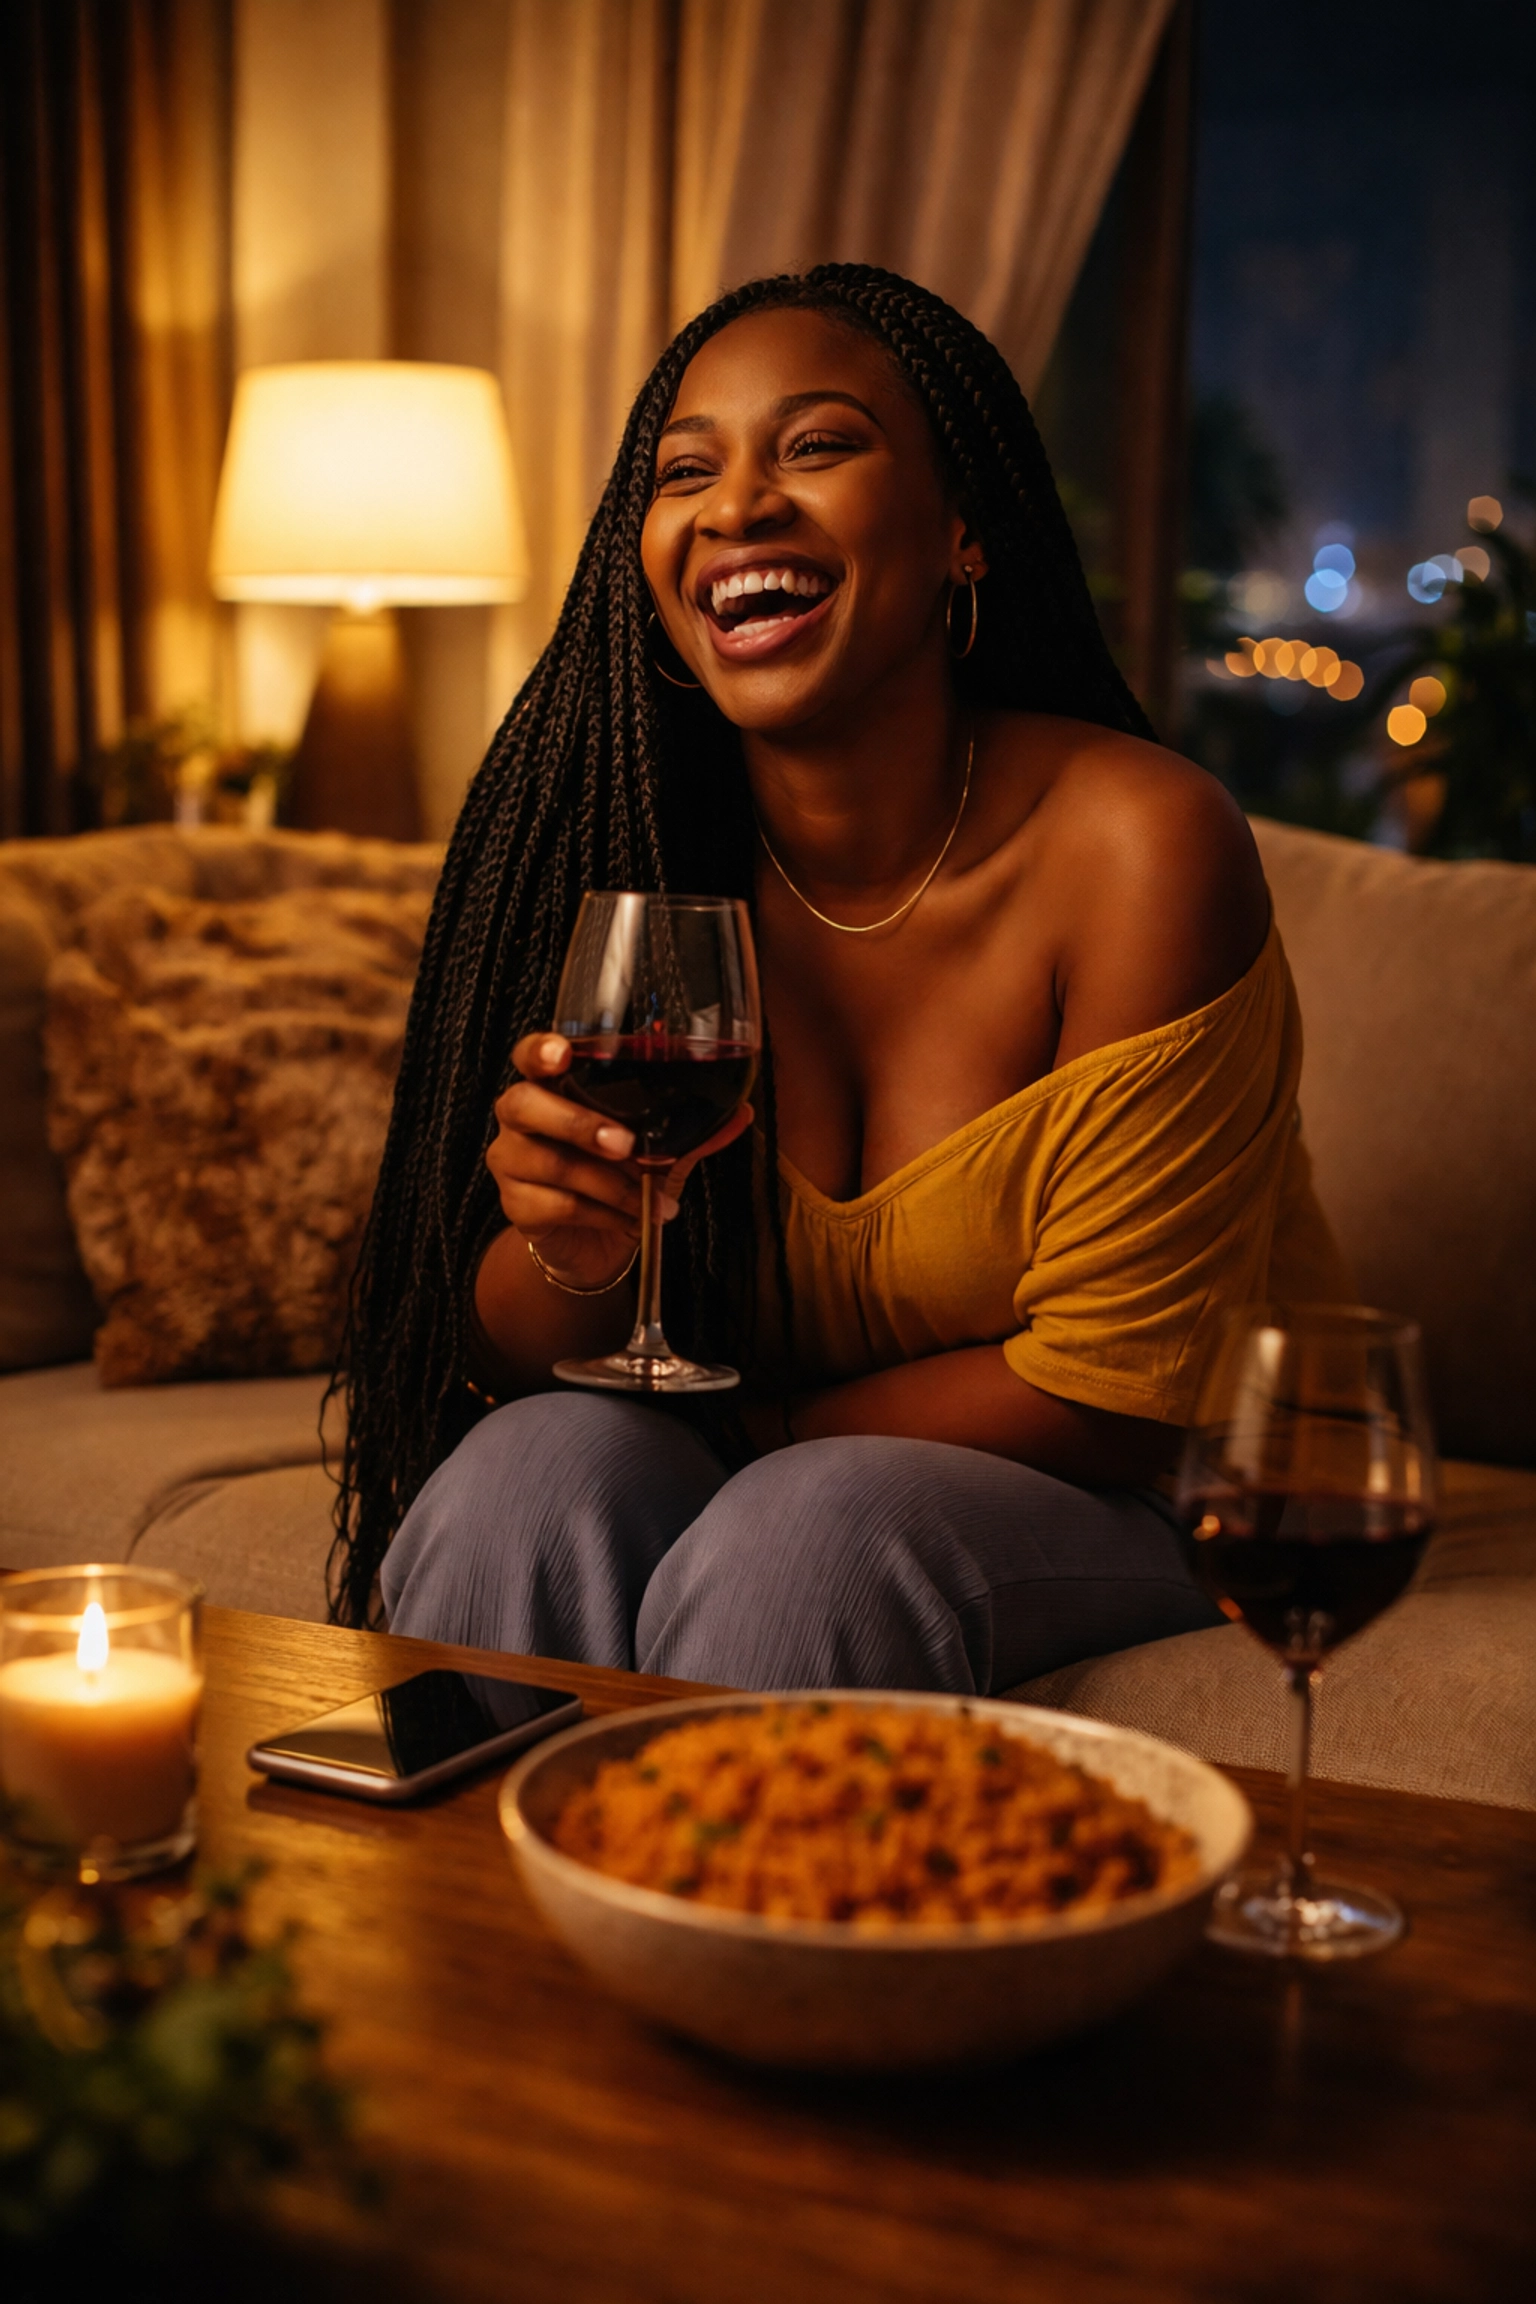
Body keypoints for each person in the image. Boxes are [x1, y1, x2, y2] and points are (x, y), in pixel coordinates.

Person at [333, 263, 1346, 1696]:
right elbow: (507, 1347)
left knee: (810, 1528)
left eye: (816, 445)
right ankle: (452, 1919)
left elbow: (1124, 1398)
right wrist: (578, 1249)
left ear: (961, 533)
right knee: (529, 1466)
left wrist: (749, 1441)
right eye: (687, 471)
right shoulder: (637, 859)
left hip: (1182, 1492)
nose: (738, 505)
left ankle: (729, 1923)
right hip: (778, 1453)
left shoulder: (1141, 845)